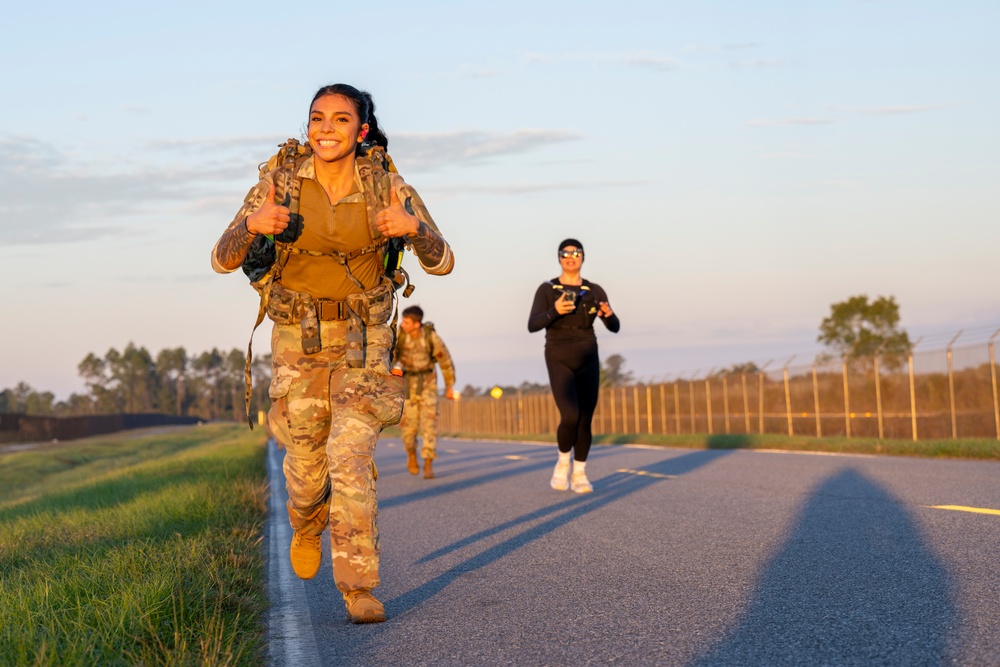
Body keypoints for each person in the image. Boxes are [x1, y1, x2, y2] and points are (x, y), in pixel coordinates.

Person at [210, 83, 454, 624]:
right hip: (297, 342)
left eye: (340, 119)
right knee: (305, 467)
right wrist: (252, 225)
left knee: (350, 459)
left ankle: (358, 587)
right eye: (317, 117)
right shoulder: (279, 185)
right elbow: (221, 258)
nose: (326, 128)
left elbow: (443, 261)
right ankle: (306, 520)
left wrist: (414, 229)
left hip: (364, 343)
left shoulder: (388, 187)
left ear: (360, 130)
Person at [527, 239, 619, 493]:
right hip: (558, 354)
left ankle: (580, 473)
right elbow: (532, 325)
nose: (571, 257)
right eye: (565, 253)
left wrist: (608, 315)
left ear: (583, 257)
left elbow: (615, 327)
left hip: (588, 353)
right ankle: (562, 461)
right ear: (559, 258)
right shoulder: (547, 289)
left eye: (575, 253)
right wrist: (555, 310)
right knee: (570, 416)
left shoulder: (594, 290)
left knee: (585, 418)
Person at [393, 305, 456, 479]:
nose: (402, 324)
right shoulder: (399, 336)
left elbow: (445, 361)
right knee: (408, 427)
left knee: (429, 425)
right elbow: (388, 357)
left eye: (406, 322)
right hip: (407, 385)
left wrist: (449, 386)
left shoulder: (430, 337)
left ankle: (428, 463)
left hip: (428, 384)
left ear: (416, 323)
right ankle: (411, 453)